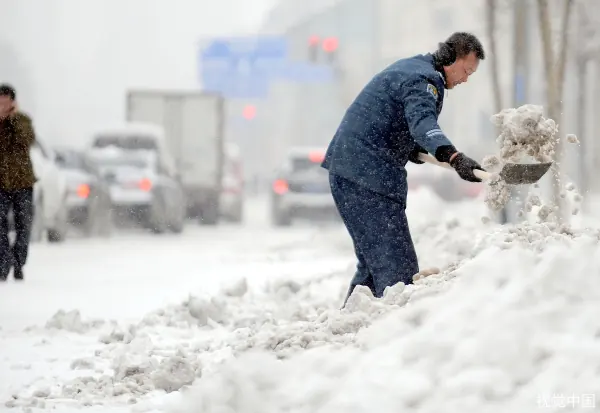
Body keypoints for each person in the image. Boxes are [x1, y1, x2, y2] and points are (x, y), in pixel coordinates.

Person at [322, 32, 486, 305]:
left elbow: (392, 119)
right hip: (367, 178)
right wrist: (455, 157)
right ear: (449, 59)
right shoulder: (425, 81)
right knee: (397, 271)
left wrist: (409, 148)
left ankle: (348, 330)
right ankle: (387, 338)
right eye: (466, 70)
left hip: (351, 172)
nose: (466, 78)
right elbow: (423, 124)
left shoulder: (412, 68)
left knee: (374, 271)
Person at [0, 83, 36, 281]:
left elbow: (26, 139)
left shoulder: (22, 120)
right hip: (1, 184)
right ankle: (3, 262)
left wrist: (12, 120)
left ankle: (18, 261)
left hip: (22, 182)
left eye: (5, 100)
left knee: (24, 226)